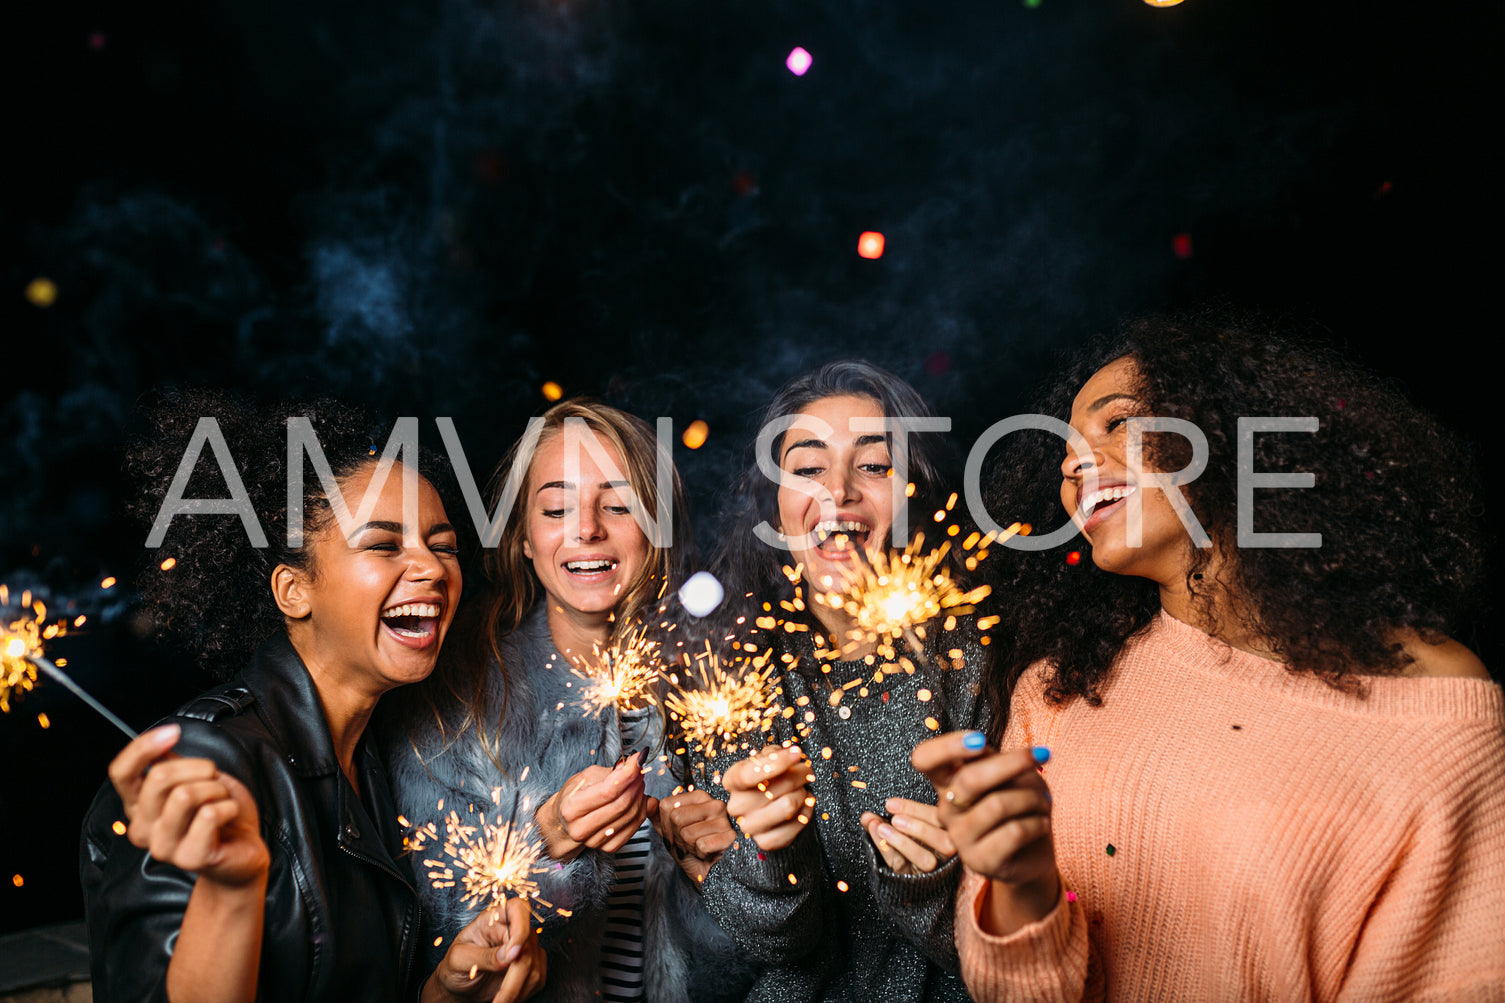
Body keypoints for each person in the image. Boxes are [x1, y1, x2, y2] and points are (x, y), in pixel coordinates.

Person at [914, 313, 1505, 1001]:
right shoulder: (1055, 693)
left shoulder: (1432, 706)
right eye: (1065, 451)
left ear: (1225, 434)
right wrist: (1022, 881)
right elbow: (1011, 991)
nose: (1072, 464)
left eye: (1117, 424)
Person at [80, 393, 545, 1003]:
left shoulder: (376, 759)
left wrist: (443, 995)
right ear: (294, 590)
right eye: (383, 545)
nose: (432, 568)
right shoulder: (207, 761)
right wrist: (230, 894)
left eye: (444, 544)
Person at [388, 399, 752, 1003]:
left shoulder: (725, 689)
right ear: (525, 539)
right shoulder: (458, 702)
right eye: (556, 508)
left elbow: (756, 964)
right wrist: (549, 844)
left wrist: (724, 881)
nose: (587, 528)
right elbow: (438, 948)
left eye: (618, 505)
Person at [693, 361, 987, 1002]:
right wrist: (772, 856)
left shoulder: (981, 665)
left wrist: (933, 886)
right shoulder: (733, 675)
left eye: (875, 466)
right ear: (773, 500)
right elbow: (773, 949)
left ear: (918, 489)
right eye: (807, 468)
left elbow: (1010, 958)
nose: (839, 492)